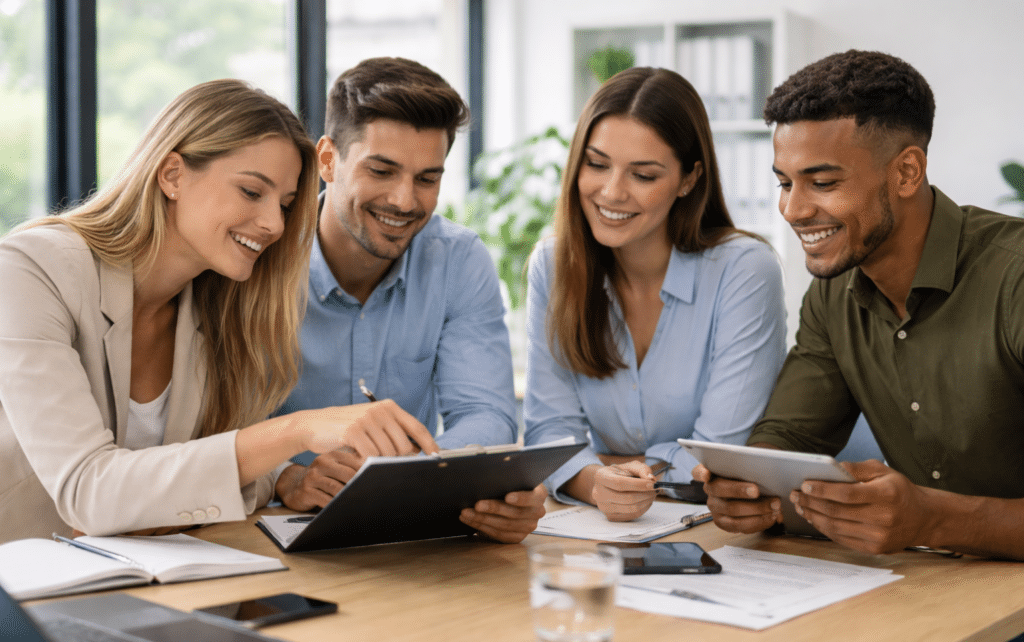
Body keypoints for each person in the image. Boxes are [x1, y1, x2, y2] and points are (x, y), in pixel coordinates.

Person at [0, 79, 439, 543]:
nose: (274, 224)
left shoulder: (216, 304)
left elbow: (188, 464)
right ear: (172, 175)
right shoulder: (31, 269)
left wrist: (287, 477)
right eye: (252, 192)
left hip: (149, 587)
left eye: (287, 204)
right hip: (23, 594)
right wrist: (296, 431)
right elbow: (87, 494)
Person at [694, 50, 1024, 562]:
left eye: (823, 183)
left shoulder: (1015, 278)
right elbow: (791, 433)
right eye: (784, 182)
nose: (794, 210)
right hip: (937, 590)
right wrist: (749, 484)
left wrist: (932, 518)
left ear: (907, 172)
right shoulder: (833, 292)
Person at [272, 57, 544, 543]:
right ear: (328, 160)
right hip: (270, 532)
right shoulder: (263, 260)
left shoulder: (459, 261)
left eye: (427, 179)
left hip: (409, 540)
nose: (404, 201)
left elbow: (488, 415)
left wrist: (410, 476)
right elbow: (216, 426)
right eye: (382, 170)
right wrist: (286, 475)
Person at [523, 67, 787, 522]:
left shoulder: (744, 270)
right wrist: (596, 484)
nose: (611, 192)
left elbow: (720, 452)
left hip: (718, 530)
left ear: (688, 179)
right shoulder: (553, 266)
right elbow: (551, 431)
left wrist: (618, 469)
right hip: (601, 526)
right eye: (597, 164)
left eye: (643, 175)